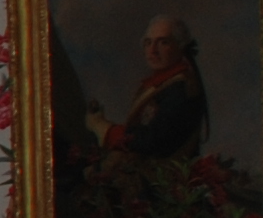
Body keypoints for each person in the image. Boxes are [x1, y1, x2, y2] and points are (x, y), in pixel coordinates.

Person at [88, 13, 210, 168]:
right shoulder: (161, 84)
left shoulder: (181, 89)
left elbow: (154, 141)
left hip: (166, 175)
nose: (153, 50)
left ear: (180, 47)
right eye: (148, 42)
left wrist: (106, 130)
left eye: (163, 42)